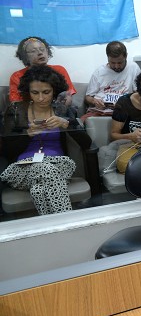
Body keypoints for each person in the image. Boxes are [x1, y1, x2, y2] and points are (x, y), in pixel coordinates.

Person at [0, 65, 91, 215]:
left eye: (46, 92)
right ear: (28, 92)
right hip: (23, 170)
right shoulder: (16, 111)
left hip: (60, 166)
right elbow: (6, 151)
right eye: (35, 93)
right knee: (44, 170)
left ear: (54, 90)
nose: (41, 98)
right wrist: (27, 135)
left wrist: (67, 124)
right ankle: (66, 221)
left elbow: (86, 143)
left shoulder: (62, 110)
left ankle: (53, 225)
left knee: (39, 189)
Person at [9, 36, 77, 106]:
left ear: (47, 51)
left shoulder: (59, 70)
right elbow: (15, 102)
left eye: (42, 49)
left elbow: (67, 96)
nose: (40, 53)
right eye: (33, 51)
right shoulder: (17, 76)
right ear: (25, 56)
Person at [83, 41, 141, 120]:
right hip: (101, 110)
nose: (116, 66)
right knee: (83, 120)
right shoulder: (99, 71)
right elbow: (88, 97)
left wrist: (125, 102)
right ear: (108, 58)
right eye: (112, 63)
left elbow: (139, 94)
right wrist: (94, 101)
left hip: (124, 109)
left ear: (126, 56)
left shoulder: (133, 68)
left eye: (120, 63)